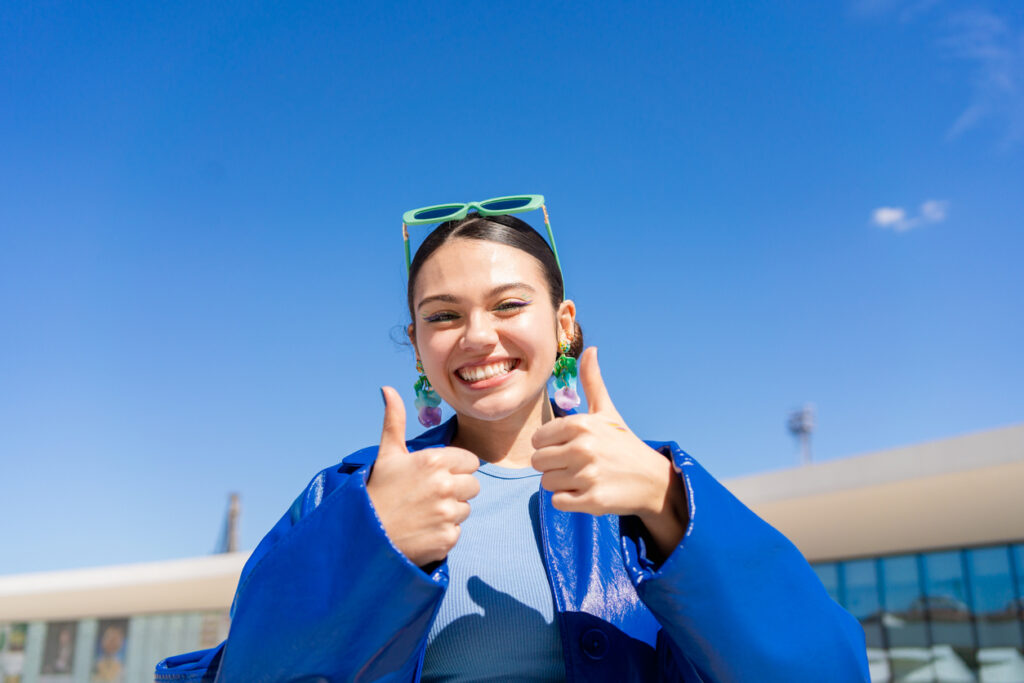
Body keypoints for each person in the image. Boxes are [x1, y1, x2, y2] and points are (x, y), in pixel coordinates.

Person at [156, 196, 869, 682]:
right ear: (416, 344)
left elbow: (826, 667)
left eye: (508, 304)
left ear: (563, 324)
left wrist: (668, 501)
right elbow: (248, 668)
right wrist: (367, 547)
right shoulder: (348, 495)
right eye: (442, 315)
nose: (476, 337)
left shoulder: (653, 489)